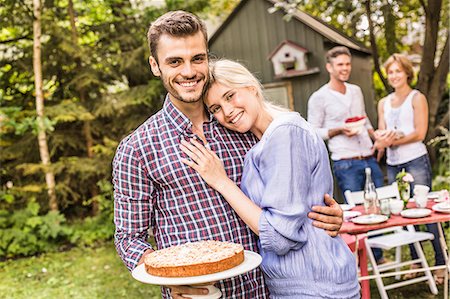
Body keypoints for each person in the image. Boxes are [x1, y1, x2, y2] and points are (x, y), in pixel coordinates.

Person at [113, 11, 344, 299]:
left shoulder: (241, 125)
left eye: (197, 58)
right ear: (155, 66)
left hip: (268, 289)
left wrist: (325, 217)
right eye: (174, 61)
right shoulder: (137, 148)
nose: (188, 71)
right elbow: (128, 239)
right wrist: (169, 280)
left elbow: (287, 198)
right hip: (199, 295)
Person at [180, 59, 360, 298]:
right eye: (215, 109)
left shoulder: (285, 133)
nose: (227, 111)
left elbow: (279, 237)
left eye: (230, 96)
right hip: (301, 284)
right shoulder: (264, 139)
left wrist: (221, 181)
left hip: (313, 286)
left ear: (251, 87)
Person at [307, 45, 386, 264]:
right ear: (329, 67)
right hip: (345, 162)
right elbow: (313, 131)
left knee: (378, 205)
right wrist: (338, 130)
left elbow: (364, 118)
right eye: (340, 64)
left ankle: (377, 257)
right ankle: (361, 259)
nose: (345, 68)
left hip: (367, 156)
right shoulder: (319, 97)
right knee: (357, 211)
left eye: (347, 64)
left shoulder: (356, 91)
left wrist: (375, 136)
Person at [374, 53, 446, 284]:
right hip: (394, 165)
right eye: (390, 72)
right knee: (402, 213)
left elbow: (420, 133)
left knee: (426, 212)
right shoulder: (383, 103)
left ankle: (440, 263)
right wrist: (380, 139)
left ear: (407, 72)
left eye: (398, 71)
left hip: (415, 160)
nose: (394, 75)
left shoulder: (417, 98)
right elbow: (382, 130)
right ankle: (416, 262)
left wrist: (393, 139)